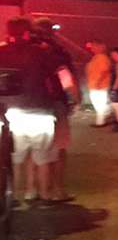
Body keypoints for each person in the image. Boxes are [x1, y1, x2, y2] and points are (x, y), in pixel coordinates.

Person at [0, 17, 60, 205]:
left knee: (14, 159)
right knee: (42, 158)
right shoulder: (41, 52)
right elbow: (57, 77)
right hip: (40, 111)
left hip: (9, 113)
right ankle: (42, 195)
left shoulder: (1, 52)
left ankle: (15, 196)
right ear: (28, 32)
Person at [31, 18, 77, 201]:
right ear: (52, 31)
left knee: (34, 149)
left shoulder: (26, 49)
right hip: (55, 103)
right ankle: (57, 190)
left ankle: (33, 189)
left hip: (26, 104)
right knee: (58, 147)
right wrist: (74, 97)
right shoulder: (56, 51)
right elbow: (65, 76)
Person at [84, 39, 113, 127]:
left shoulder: (102, 58)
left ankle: (100, 121)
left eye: (94, 47)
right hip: (94, 85)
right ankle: (104, 116)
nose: (92, 49)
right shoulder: (97, 58)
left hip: (99, 85)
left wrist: (97, 82)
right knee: (98, 104)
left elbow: (103, 71)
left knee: (99, 104)